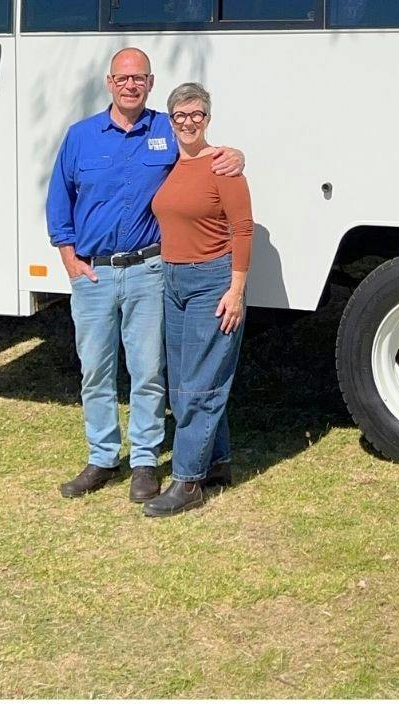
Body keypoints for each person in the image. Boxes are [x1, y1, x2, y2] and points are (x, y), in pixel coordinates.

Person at [47, 48, 243, 502]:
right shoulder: (80, 137)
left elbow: (202, 151)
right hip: (93, 275)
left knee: (147, 370)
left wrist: (235, 154)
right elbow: (60, 199)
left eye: (139, 79)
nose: (130, 85)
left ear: (151, 83)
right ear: (109, 82)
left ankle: (144, 462)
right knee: (95, 370)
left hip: (148, 271)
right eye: (123, 78)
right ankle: (101, 458)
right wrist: (69, 258)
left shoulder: (165, 130)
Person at [142, 82, 253, 517]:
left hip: (212, 281)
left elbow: (243, 229)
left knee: (196, 386)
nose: (188, 122)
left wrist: (236, 291)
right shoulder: (170, 163)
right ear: (170, 122)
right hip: (172, 280)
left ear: (208, 118)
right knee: (185, 378)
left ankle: (188, 481)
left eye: (197, 115)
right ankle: (218, 463)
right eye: (180, 116)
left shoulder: (224, 167)